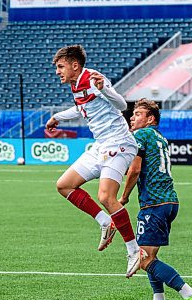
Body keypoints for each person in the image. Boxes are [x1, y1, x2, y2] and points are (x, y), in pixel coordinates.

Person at [45, 44, 141, 277]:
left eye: (60, 67)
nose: (57, 71)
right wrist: (58, 117)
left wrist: (104, 89)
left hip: (119, 143)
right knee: (64, 185)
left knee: (106, 196)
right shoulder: (76, 85)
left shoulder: (93, 78)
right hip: (101, 145)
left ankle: (134, 250)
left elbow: (121, 105)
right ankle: (105, 222)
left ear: (75, 65)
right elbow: (81, 110)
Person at [119, 98, 192, 300]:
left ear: (150, 119)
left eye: (137, 114)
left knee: (143, 259)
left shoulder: (141, 135)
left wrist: (124, 196)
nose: (132, 117)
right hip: (169, 202)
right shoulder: (161, 138)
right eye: (133, 113)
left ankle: (189, 293)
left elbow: (135, 169)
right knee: (150, 255)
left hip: (154, 204)